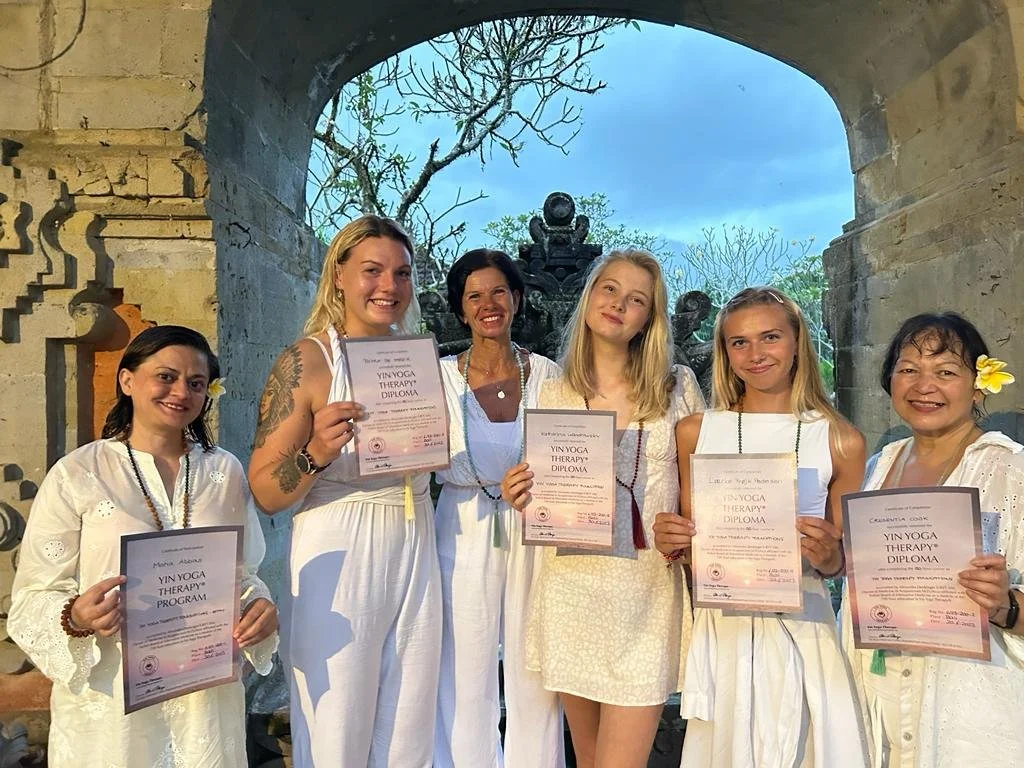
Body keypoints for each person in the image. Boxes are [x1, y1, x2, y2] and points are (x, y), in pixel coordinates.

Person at [8, 325, 278, 768]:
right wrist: (76, 616)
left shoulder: (224, 471)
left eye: (196, 383)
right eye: (166, 377)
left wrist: (258, 608)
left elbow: (243, 573)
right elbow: (33, 595)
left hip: (202, 696)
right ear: (127, 380)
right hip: (112, 701)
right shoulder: (79, 473)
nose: (181, 392)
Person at [248, 214, 441, 767]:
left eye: (402, 273)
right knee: (337, 722)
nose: (389, 286)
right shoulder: (308, 360)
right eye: (372, 270)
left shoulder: (417, 358)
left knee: (409, 723)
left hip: (415, 535)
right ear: (338, 275)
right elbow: (265, 491)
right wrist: (316, 451)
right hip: (340, 539)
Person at [501, 250, 704, 768]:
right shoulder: (552, 392)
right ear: (590, 296)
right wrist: (519, 494)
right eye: (609, 288)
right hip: (572, 592)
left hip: (646, 598)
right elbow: (541, 494)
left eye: (636, 299)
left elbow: (705, 493)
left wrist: (687, 533)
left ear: (649, 319)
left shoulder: (677, 386)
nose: (618, 304)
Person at [653, 286, 868, 768]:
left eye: (770, 337)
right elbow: (693, 552)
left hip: (802, 625)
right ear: (725, 353)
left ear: (796, 341)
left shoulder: (840, 440)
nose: (756, 354)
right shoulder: (695, 432)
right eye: (739, 342)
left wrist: (829, 556)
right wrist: (674, 543)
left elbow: (843, 563)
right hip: (724, 628)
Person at [838, 312, 1024, 768]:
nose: (924, 386)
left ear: (978, 386)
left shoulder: (1011, 471)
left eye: (945, 372)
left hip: (969, 716)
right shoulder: (879, 466)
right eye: (908, 369)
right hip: (880, 697)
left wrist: (1005, 605)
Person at [434, 248, 564, 768]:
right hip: (461, 526)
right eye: (474, 296)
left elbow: (570, 455)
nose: (488, 304)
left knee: (536, 669)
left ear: (517, 298)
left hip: (535, 527)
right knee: (463, 668)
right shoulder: (437, 378)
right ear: (460, 309)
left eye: (498, 292)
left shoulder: (548, 375)